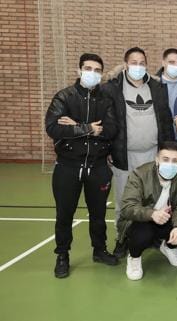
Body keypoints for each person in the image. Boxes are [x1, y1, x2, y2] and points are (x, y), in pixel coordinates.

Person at [45, 53, 119, 278]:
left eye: (97, 70)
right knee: (64, 213)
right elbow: (54, 128)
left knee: (98, 213)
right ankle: (62, 255)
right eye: (88, 68)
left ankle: (99, 249)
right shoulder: (64, 97)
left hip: (98, 167)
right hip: (67, 167)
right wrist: (86, 128)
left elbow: (111, 130)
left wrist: (76, 127)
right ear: (79, 71)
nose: (92, 73)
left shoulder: (106, 100)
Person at [100, 47, 174, 258]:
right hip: (125, 155)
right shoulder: (112, 88)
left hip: (153, 153)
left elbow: (166, 120)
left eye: (142, 63)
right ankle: (122, 238)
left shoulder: (158, 88)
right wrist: (108, 149)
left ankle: (149, 236)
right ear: (125, 65)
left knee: (154, 198)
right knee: (125, 200)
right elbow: (107, 122)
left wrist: (166, 149)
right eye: (134, 62)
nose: (138, 66)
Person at [119, 141, 177, 280]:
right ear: (157, 159)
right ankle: (134, 257)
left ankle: (169, 247)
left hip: (167, 219)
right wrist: (151, 214)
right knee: (142, 236)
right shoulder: (140, 174)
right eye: (165, 159)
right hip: (142, 220)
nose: (170, 164)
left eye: (175, 161)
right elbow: (127, 207)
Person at [156, 48, 177, 138]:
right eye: (171, 62)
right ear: (163, 63)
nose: (176, 66)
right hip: (163, 138)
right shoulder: (154, 84)